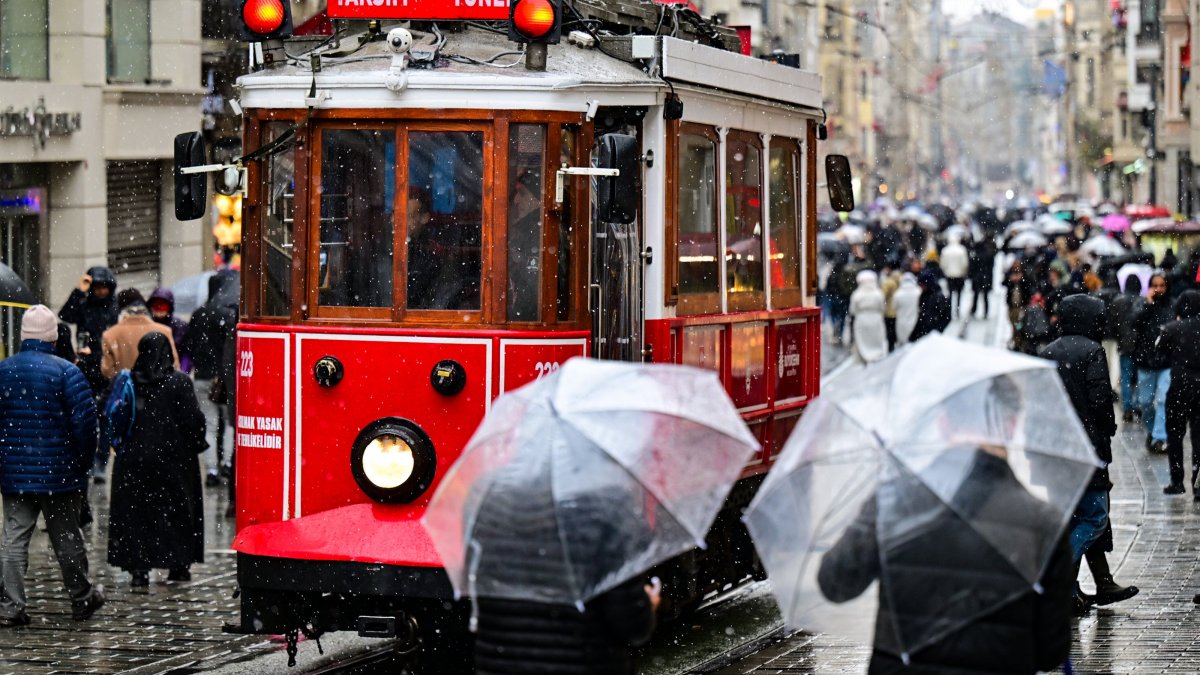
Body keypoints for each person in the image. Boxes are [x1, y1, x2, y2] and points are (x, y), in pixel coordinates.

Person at [816, 383, 1073, 674]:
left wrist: (876, 509)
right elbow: (1050, 651)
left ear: (943, 423)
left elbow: (835, 582)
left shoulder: (897, 500)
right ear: (1012, 424)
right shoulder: (1043, 523)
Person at [0, 305, 106, 626]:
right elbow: (86, 427)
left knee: (14, 538)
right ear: (52, 336)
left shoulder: (4, 370)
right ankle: (81, 597)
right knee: (67, 538)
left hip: (15, 473)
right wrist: (82, 464)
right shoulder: (67, 372)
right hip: (59, 474)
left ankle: (10, 607)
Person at [1039, 295, 1138, 613]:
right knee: (1095, 516)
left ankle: (1092, 585)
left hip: (1057, 449)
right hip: (1087, 447)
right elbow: (1099, 400)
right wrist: (1108, 428)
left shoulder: (1049, 351)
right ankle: (1058, 574)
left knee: (1071, 516)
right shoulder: (1092, 350)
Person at [107, 332, 207, 587]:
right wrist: (196, 442)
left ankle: (139, 567)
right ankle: (177, 563)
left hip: (134, 459)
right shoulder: (179, 383)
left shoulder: (129, 380)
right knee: (176, 513)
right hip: (174, 460)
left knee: (136, 514)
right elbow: (193, 421)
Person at [183, 272, 238, 485]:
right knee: (229, 424)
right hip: (224, 379)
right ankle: (226, 463)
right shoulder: (229, 313)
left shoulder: (198, 314)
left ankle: (211, 470)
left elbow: (189, 345)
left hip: (202, 377)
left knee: (209, 424)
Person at [1157, 290, 1200, 496]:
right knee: (1199, 437)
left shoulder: (1172, 329)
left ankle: (1177, 481)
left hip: (1179, 387)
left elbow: (1159, 353)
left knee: (1175, 435)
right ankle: (1198, 482)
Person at [57, 266, 119, 394]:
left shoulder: (114, 306)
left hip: (108, 360)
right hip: (86, 360)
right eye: (97, 288)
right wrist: (79, 291)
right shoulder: (84, 304)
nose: (101, 291)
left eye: (104, 287)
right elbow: (65, 315)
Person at [1132, 274, 1174, 453]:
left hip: (1166, 362)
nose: (1158, 289)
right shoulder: (1142, 305)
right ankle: (1153, 431)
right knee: (1145, 403)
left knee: (1164, 400)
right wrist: (1148, 305)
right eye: (1155, 285)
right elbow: (1134, 323)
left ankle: (1159, 437)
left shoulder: (1172, 306)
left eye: (1162, 285)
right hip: (1146, 362)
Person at [1110, 275, 1146, 421]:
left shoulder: (1117, 301)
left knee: (1125, 376)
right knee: (1138, 377)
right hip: (1140, 345)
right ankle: (1138, 404)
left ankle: (1127, 407)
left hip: (1124, 344)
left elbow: (1112, 324)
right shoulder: (1143, 301)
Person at [148, 288, 191, 373]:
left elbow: (186, 353)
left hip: (175, 371)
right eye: (156, 305)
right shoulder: (148, 325)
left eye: (163, 305)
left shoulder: (180, 326)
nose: (159, 310)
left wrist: (182, 372)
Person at [848, 270, 887, 364]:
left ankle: (865, 356)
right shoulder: (878, 293)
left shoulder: (857, 294)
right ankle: (877, 355)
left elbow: (852, 309)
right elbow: (882, 307)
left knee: (863, 339)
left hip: (861, 319)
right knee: (876, 338)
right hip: (876, 318)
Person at [909, 269, 951, 341]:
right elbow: (921, 315)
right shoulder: (924, 295)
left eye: (922, 285)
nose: (920, 287)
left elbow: (946, 317)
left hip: (932, 335)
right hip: (924, 333)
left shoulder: (939, 297)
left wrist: (936, 331)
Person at [940, 234, 969, 317]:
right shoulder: (962, 250)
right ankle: (957, 309)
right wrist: (964, 272)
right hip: (959, 275)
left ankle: (950, 310)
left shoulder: (945, 251)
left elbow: (943, 264)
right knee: (959, 293)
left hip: (949, 275)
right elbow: (965, 264)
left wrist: (945, 271)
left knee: (950, 293)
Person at [968, 237, 995, 319]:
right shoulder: (989, 256)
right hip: (985, 278)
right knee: (985, 296)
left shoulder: (975, 256)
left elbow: (971, 269)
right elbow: (991, 269)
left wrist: (971, 277)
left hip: (977, 278)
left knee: (976, 295)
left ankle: (974, 310)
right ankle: (986, 311)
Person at [892, 272, 921, 347]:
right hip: (915, 320)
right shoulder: (918, 292)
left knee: (903, 344)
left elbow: (894, 306)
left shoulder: (898, 294)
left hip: (901, 321)